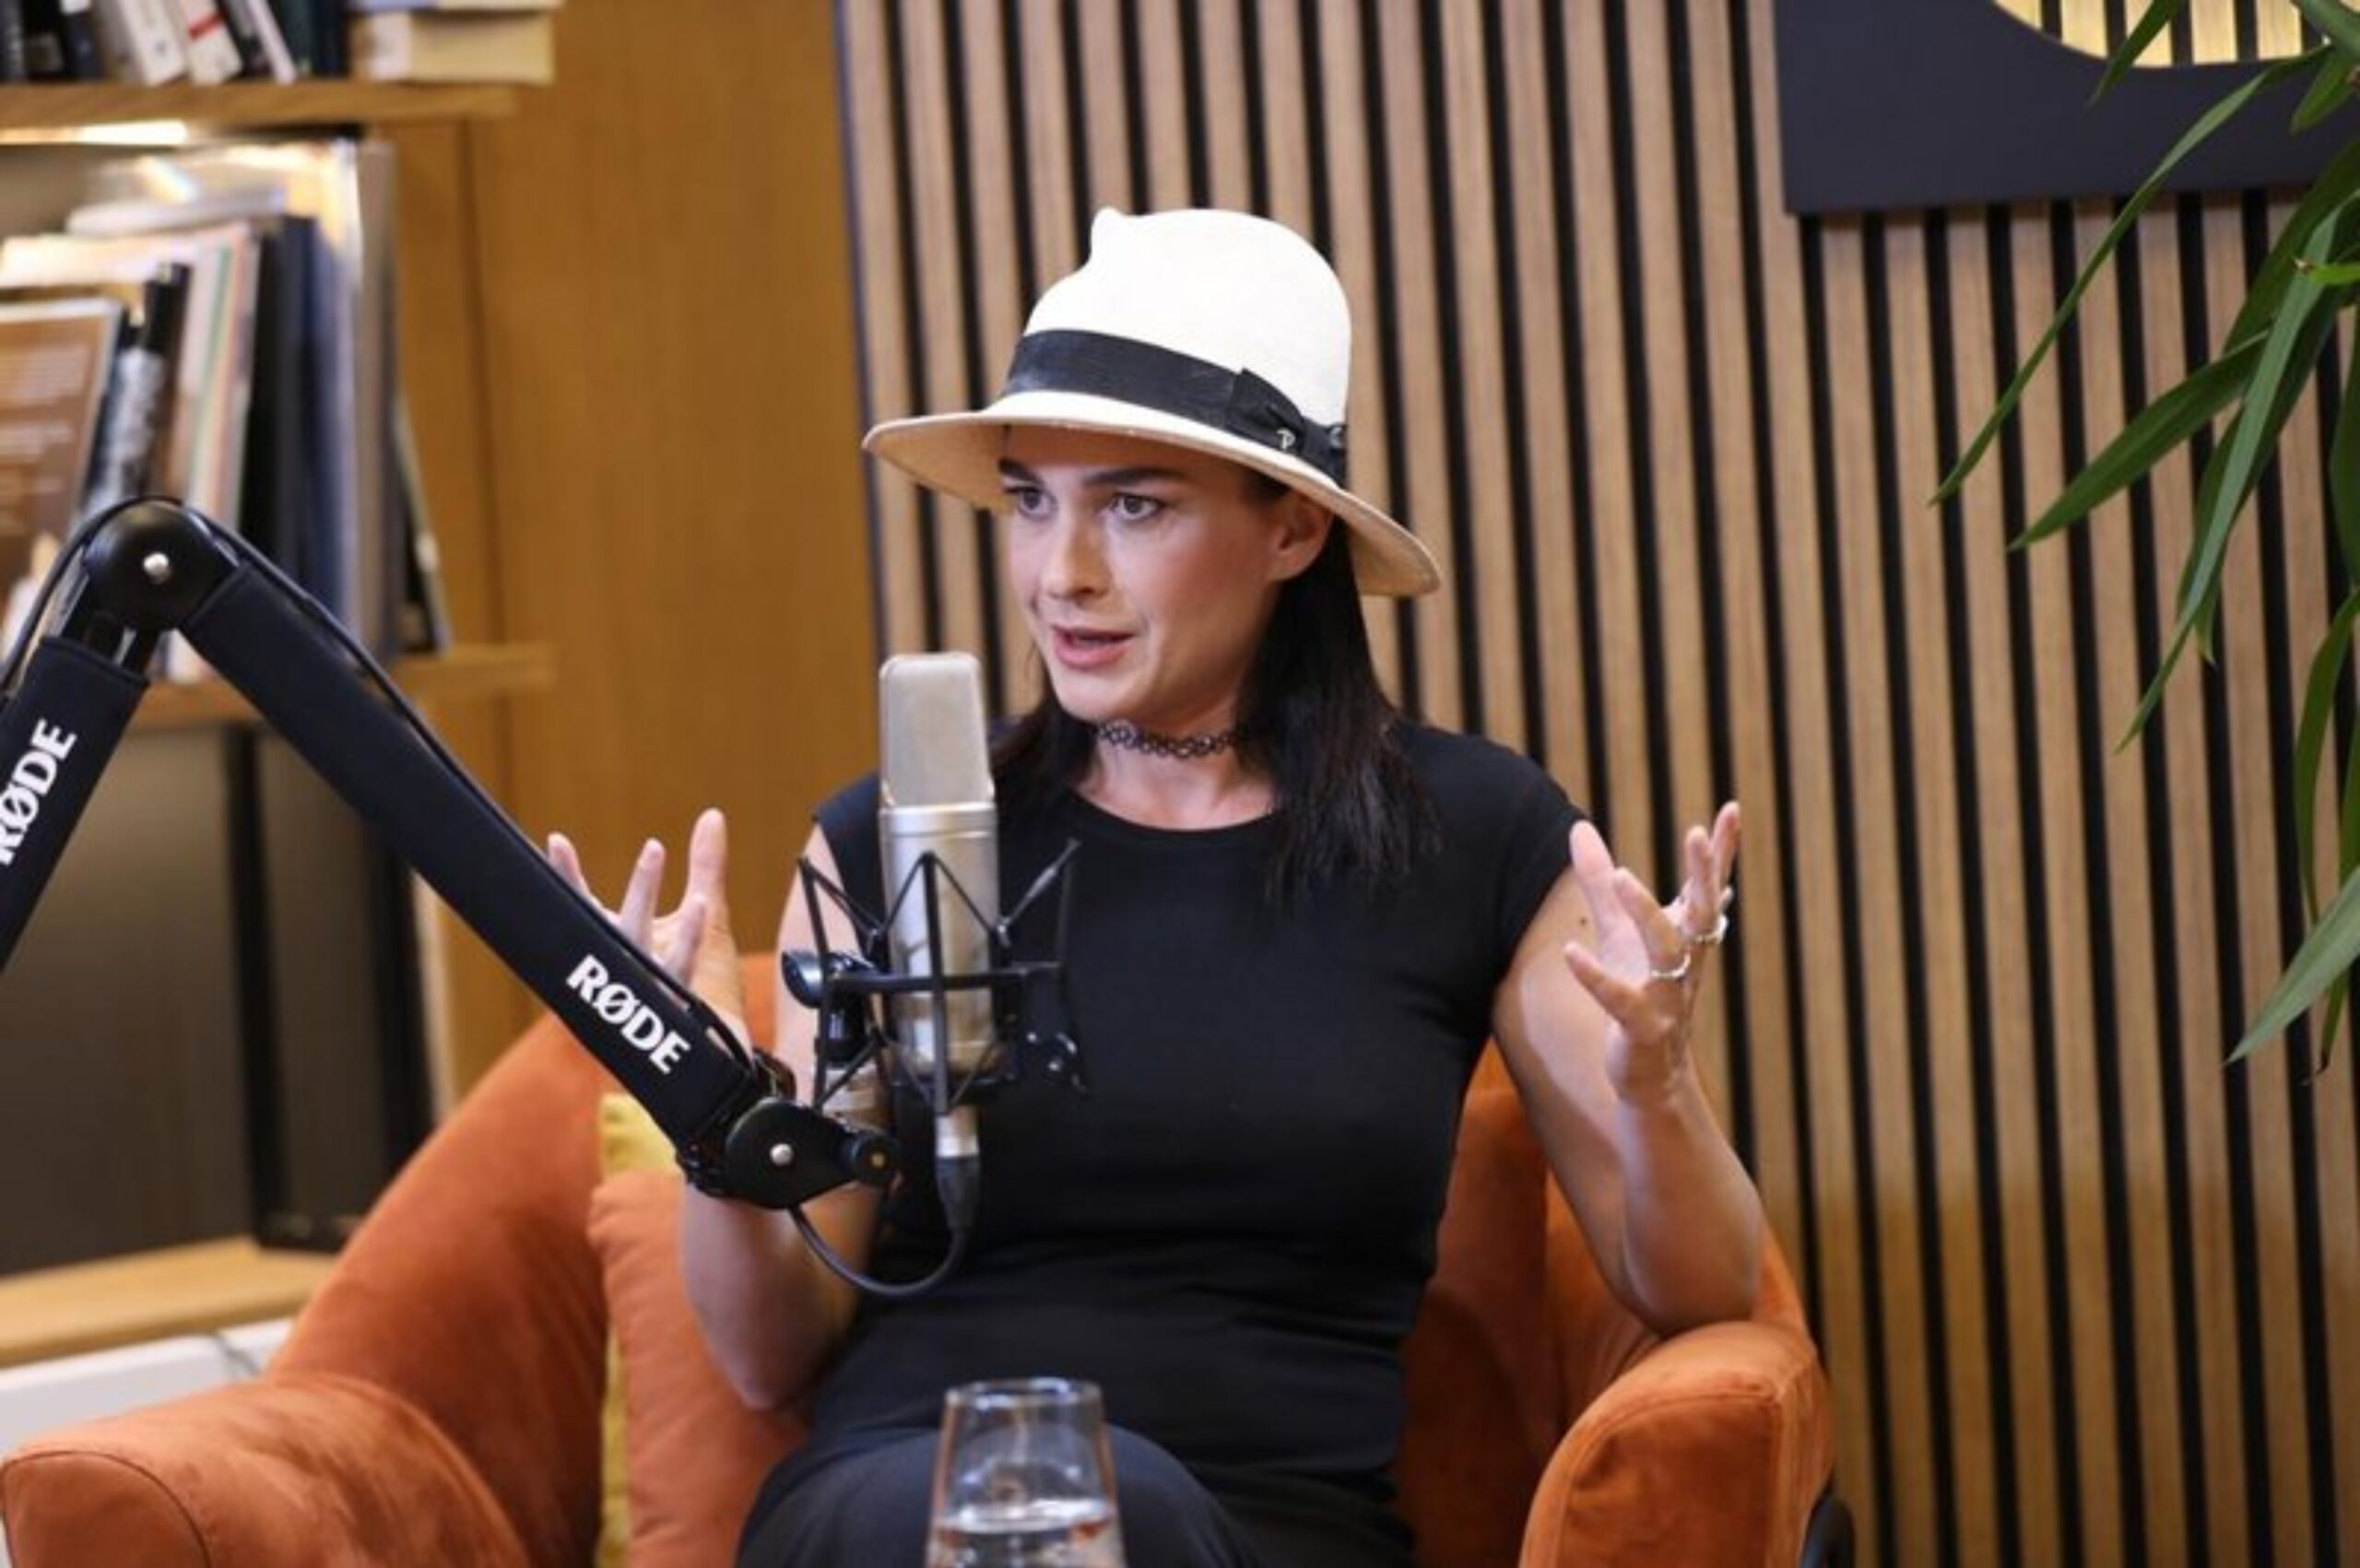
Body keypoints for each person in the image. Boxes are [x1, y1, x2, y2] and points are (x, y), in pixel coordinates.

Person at [548, 207, 1764, 1567]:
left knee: (1117, 1503)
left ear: (1294, 528)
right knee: (1049, 1510)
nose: (1061, 574)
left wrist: (1658, 1088)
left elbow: (1701, 1290)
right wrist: (713, 1115)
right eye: (1031, 501)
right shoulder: (889, 841)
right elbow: (769, 1355)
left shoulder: (1475, 840)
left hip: (1265, 1533)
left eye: (1134, 506)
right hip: (905, 1505)